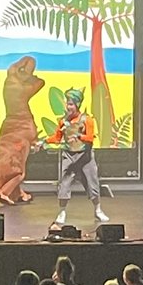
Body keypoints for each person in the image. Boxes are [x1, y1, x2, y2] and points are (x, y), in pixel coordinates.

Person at [36, 88, 109, 226]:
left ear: (77, 105)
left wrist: (78, 136)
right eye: (67, 104)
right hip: (69, 156)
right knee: (64, 184)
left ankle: (98, 210)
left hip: (85, 157)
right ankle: (62, 211)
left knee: (92, 184)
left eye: (71, 104)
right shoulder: (63, 122)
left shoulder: (87, 120)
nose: (68, 107)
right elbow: (57, 138)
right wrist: (44, 142)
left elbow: (90, 139)